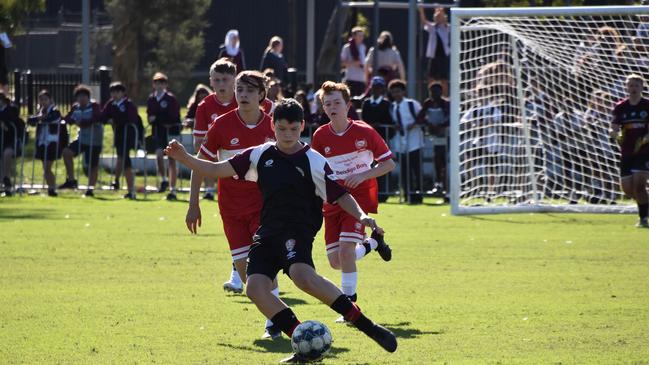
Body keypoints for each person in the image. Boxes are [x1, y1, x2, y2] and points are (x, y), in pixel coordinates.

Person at [164, 98, 398, 363]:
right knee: (255, 288)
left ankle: (368, 326)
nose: (288, 135)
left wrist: (362, 216)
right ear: (273, 126)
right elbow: (217, 169)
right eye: (282, 128)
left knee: (302, 275)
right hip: (267, 232)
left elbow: (340, 195)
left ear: (302, 127)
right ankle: (302, 340)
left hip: (297, 229)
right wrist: (183, 157)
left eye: (294, 129)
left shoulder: (313, 160)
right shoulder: (260, 154)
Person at [189, 70, 282, 338]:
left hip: (263, 206)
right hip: (230, 207)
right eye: (239, 89)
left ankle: (274, 323)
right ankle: (280, 314)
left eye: (249, 90)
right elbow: (200, 164)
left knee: (262, 264)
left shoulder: (274, 127)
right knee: (245, 273)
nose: (242, 95)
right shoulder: (221, 125)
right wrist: (193, 204)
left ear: (262, 95)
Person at [311, 81, 394, 323]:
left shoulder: (365, 132)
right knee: (336, 261)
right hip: (331, 201)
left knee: (346, 253)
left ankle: (350, 309)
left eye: (337, 102)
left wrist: (363, 175)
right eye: (327, 104)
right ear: (323, 109)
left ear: (348, 106)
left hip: (357, 201)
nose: (332, 107)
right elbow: (316, 170)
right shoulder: (320, 136)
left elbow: (389, 163)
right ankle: (373, 244)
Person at [609, 74, 649, 227]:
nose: (633, 88)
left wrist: (645, 138)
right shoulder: (620, 107)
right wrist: (613, 133)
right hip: (626, 151)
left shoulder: (647, 105)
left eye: (636, 85)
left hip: (644, 151)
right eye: (630, 85)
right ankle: (646, 208)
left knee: (639, 186)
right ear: (626, 87)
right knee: (628, 190)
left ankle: (643, 219)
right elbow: (614, 127)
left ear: (642, 87)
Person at [58, 85, 103, 197]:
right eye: (79, 96)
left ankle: (90, 189)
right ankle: (71, 180)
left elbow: (97, 118)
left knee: (93, 166)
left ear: (88, 97)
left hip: (94, 141)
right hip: (82, 139)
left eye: (84, 96)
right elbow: (68, 118)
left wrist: (83, 123)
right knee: (66, 152)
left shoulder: (94, 106)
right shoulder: (76, 107)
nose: (81, 99)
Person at [101, 81, 142, 200]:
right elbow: (103, 116)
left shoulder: (128, 104)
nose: (115, 94)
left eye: (117, 92)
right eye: (113, 92)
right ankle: (117, 181)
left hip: (128, 136)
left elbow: (130, 118)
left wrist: (115, 119)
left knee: (126, 162)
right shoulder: (111, 104)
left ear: (123, 93)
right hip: (118, 136)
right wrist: (109, 119)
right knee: (121, 159)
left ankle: (131, 191)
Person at [147, 72, 182, 200]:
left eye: (162, 82)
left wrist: (160, 118)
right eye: (157, 82)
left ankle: (172, 189)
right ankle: (164, 179)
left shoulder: (171, 98)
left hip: (171, 132)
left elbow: (173, 116)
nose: (159, 85)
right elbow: (150, 116)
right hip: (158, 132)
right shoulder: (151, 99)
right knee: (158, 155)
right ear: (153, 85)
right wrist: (157, 119)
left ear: (166, 84)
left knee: (172, 160)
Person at [388, 79, 423, 204]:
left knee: (416, 169)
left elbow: (422, 116)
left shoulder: (411, 104)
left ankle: (418, 195)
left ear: (403, 91)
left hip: (414, 141)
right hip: (401, 142)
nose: (396, 94)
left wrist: (414, 124)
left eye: (398, 91)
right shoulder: (393, 107)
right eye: (393, 92)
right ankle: (407, 194)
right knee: (404, 170)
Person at [27, 90, 68, 197]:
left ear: (50, 100)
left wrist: (40, 119)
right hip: (41, 142)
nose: (43, 102)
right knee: (45, 167)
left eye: (45, 99)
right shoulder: (40, 111)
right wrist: (40, 118)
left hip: (52, 142)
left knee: (47, 166)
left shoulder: (55, 111)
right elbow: (30, 120)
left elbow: (51, 119)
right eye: (41, 99)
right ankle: (51, 188)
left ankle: (52, 187)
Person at [361, 76, 395, 202]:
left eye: (379, 87)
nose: (377, 90)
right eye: (374, 87)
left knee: (384, 164)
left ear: (383, 89)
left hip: (382, 139)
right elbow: (364, 120)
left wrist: (380, 125)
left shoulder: (386, 104)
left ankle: (384, 193)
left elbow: (390, 121)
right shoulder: (366, 103)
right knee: (369, 166)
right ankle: (372, 192)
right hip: (368, 141)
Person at [417, 83, 450, 200]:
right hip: (435, 136)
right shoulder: (428, 103)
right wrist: (429, 124)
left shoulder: (446, 103)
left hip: (445, 136)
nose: (433, 94)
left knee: (445, 161)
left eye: (436, 91)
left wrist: (441, 126)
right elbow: (420, 117)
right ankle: (439, 184)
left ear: (441, 92)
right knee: (437, 160)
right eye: (431, 92)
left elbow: (449, 117)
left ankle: (447, 188)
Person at [419, 7, 450, 95]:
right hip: (433, 57)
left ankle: (445, 97)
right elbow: (424, 22)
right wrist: (421, 11)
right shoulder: (432, 27)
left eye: (439, 17)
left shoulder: (446, 27)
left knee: (443, 79)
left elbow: (445, 22)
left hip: (442, 57)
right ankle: (432, 95)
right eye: (436, 17)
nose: (437, 18)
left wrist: (442, 12)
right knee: (430, 78)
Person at [0, 91, 23, 196]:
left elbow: (12, 118)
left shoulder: (11, 109)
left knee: (7, 154)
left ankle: (6, 179)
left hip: (10, 141)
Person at [341, 26, 367, 97]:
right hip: (350, 79)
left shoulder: (363, 47)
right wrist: (353, 63)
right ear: (354, 36)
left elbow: (363, 63)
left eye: (362, 36)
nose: (361, 38)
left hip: (361, 80)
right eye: (359, 36)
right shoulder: (347, 48)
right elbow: (341, 63)